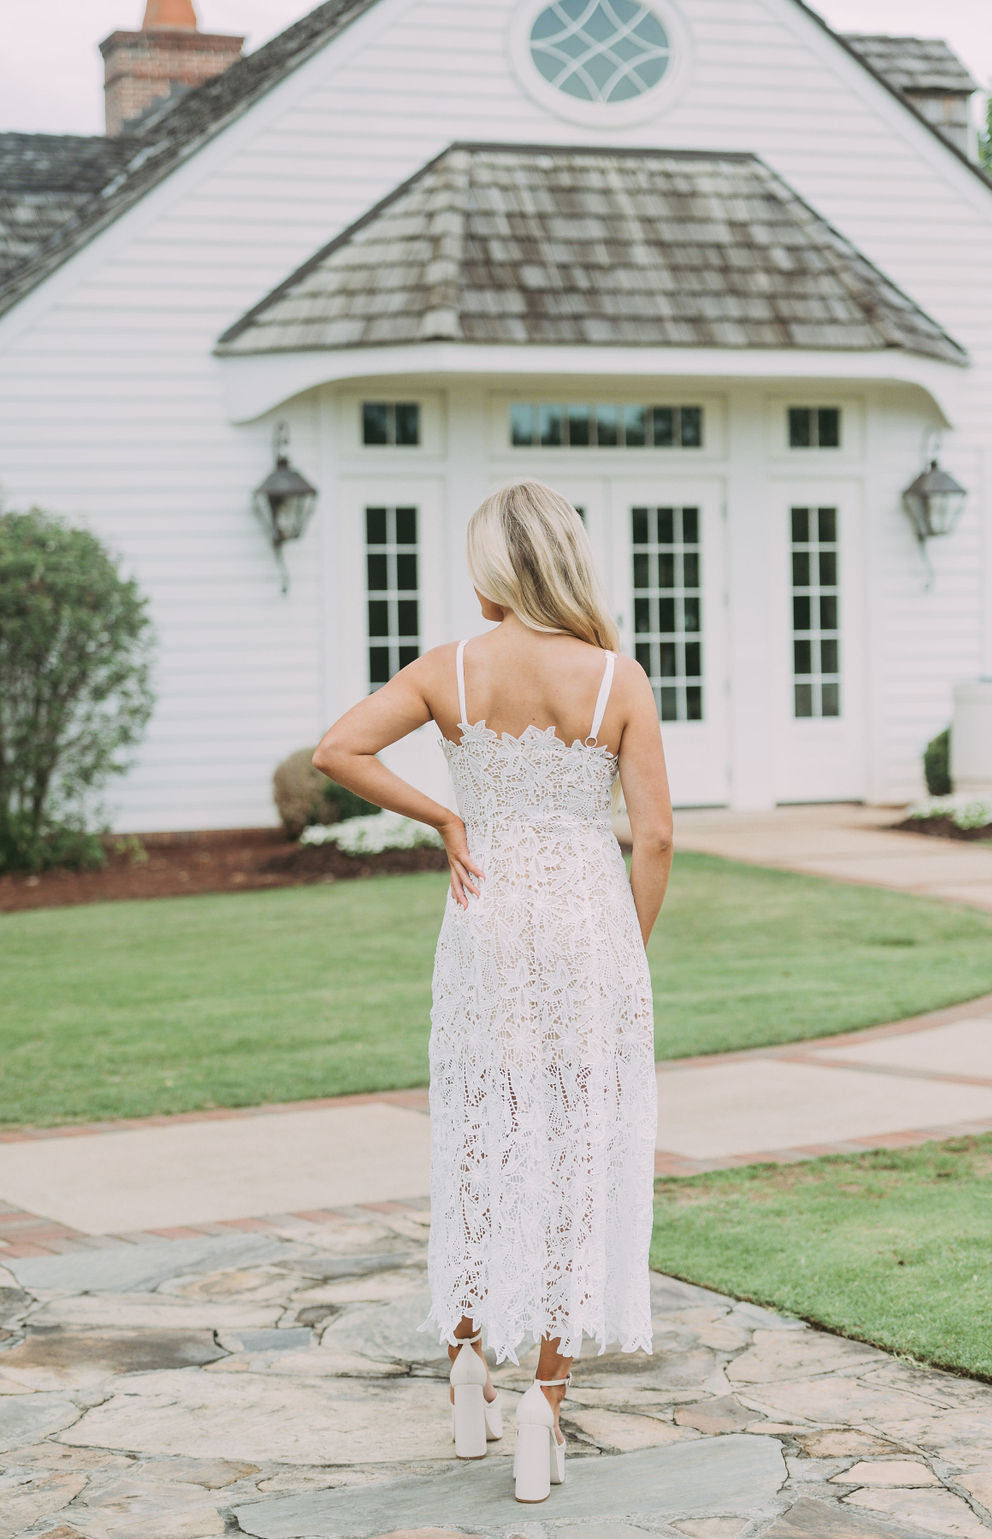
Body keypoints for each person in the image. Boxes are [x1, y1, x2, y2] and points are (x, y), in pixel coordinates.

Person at [312, 479, 674, 1502]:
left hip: (484, 918)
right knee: (571, 1149)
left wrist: (445, 818)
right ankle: (541, 1408)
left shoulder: (449, 670)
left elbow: (337, 749)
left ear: (488, 572)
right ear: (568, 562)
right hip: (584, 929)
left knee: (480, 1134)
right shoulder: (617, 680)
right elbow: (653, 837)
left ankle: (468, 1364)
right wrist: (624, 953)